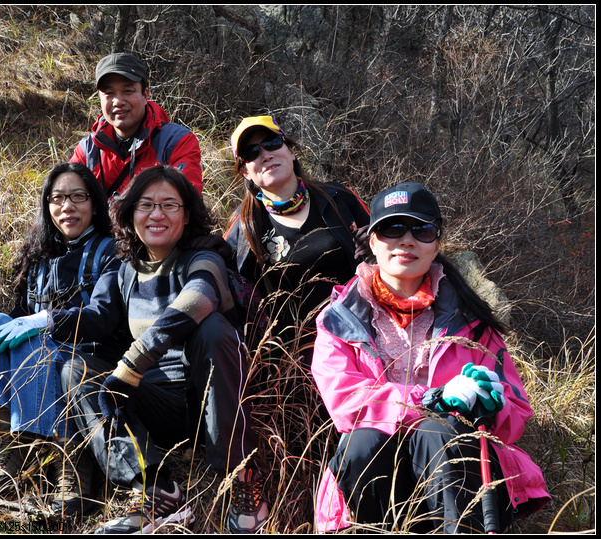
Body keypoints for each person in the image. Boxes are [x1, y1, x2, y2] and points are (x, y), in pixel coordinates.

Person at [311, 182, 550, 533]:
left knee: (439, 431)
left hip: (454, 471)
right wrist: (432, 398)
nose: (407, 240)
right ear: (373, 242)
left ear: (436, 244)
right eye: (393, 228)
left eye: (421, 230)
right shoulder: (338, 320)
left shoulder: (471, 320)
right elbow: (348, 407)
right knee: (362, 441)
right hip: (375, 474)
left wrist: (494, 402)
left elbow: (515, 419)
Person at [47, 165, 267, 534]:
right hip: (155, 404)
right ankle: (157, 490)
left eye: (170, 205)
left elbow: (197, 300)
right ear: (130, 213)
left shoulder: (203, 256)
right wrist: (44, 322)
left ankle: (242, 477)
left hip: (209, 401)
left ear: (186, 214)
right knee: (74, 369)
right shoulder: (125, 271)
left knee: (211, 327)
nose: (157, 214)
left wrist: (131, 365)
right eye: (146, 205)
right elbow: (98, 318)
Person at [0, 162, 125, 517]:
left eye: (77, 197)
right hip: (38, 364)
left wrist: (47, 320)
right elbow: (15, 320)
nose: (67, 207)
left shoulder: (110, 251)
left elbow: (104, 317)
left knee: (41, 348)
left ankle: (70, 463)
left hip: (89, 359)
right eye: (57, 199)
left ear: (95, 203)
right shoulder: (38, 256)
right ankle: (7, 432)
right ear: (47, 206)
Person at [224, 115, 370, 361]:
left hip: (359, 341)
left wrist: (374, 249)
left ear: (291, 151)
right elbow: (228, 288)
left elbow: (388, 250)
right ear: (246, 172)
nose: (265, 155)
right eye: (251, 152)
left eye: (271, 143)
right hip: (292, 361)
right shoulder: (243, 226)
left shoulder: (339, 198)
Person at [69, 52, 203, 197]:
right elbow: (69, 200)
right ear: (100, 99)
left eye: (128, 91)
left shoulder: (177, 143)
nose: (118, 101)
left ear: (145, 95)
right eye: (109, 93)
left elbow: (184, 205)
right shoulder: (88, 151)